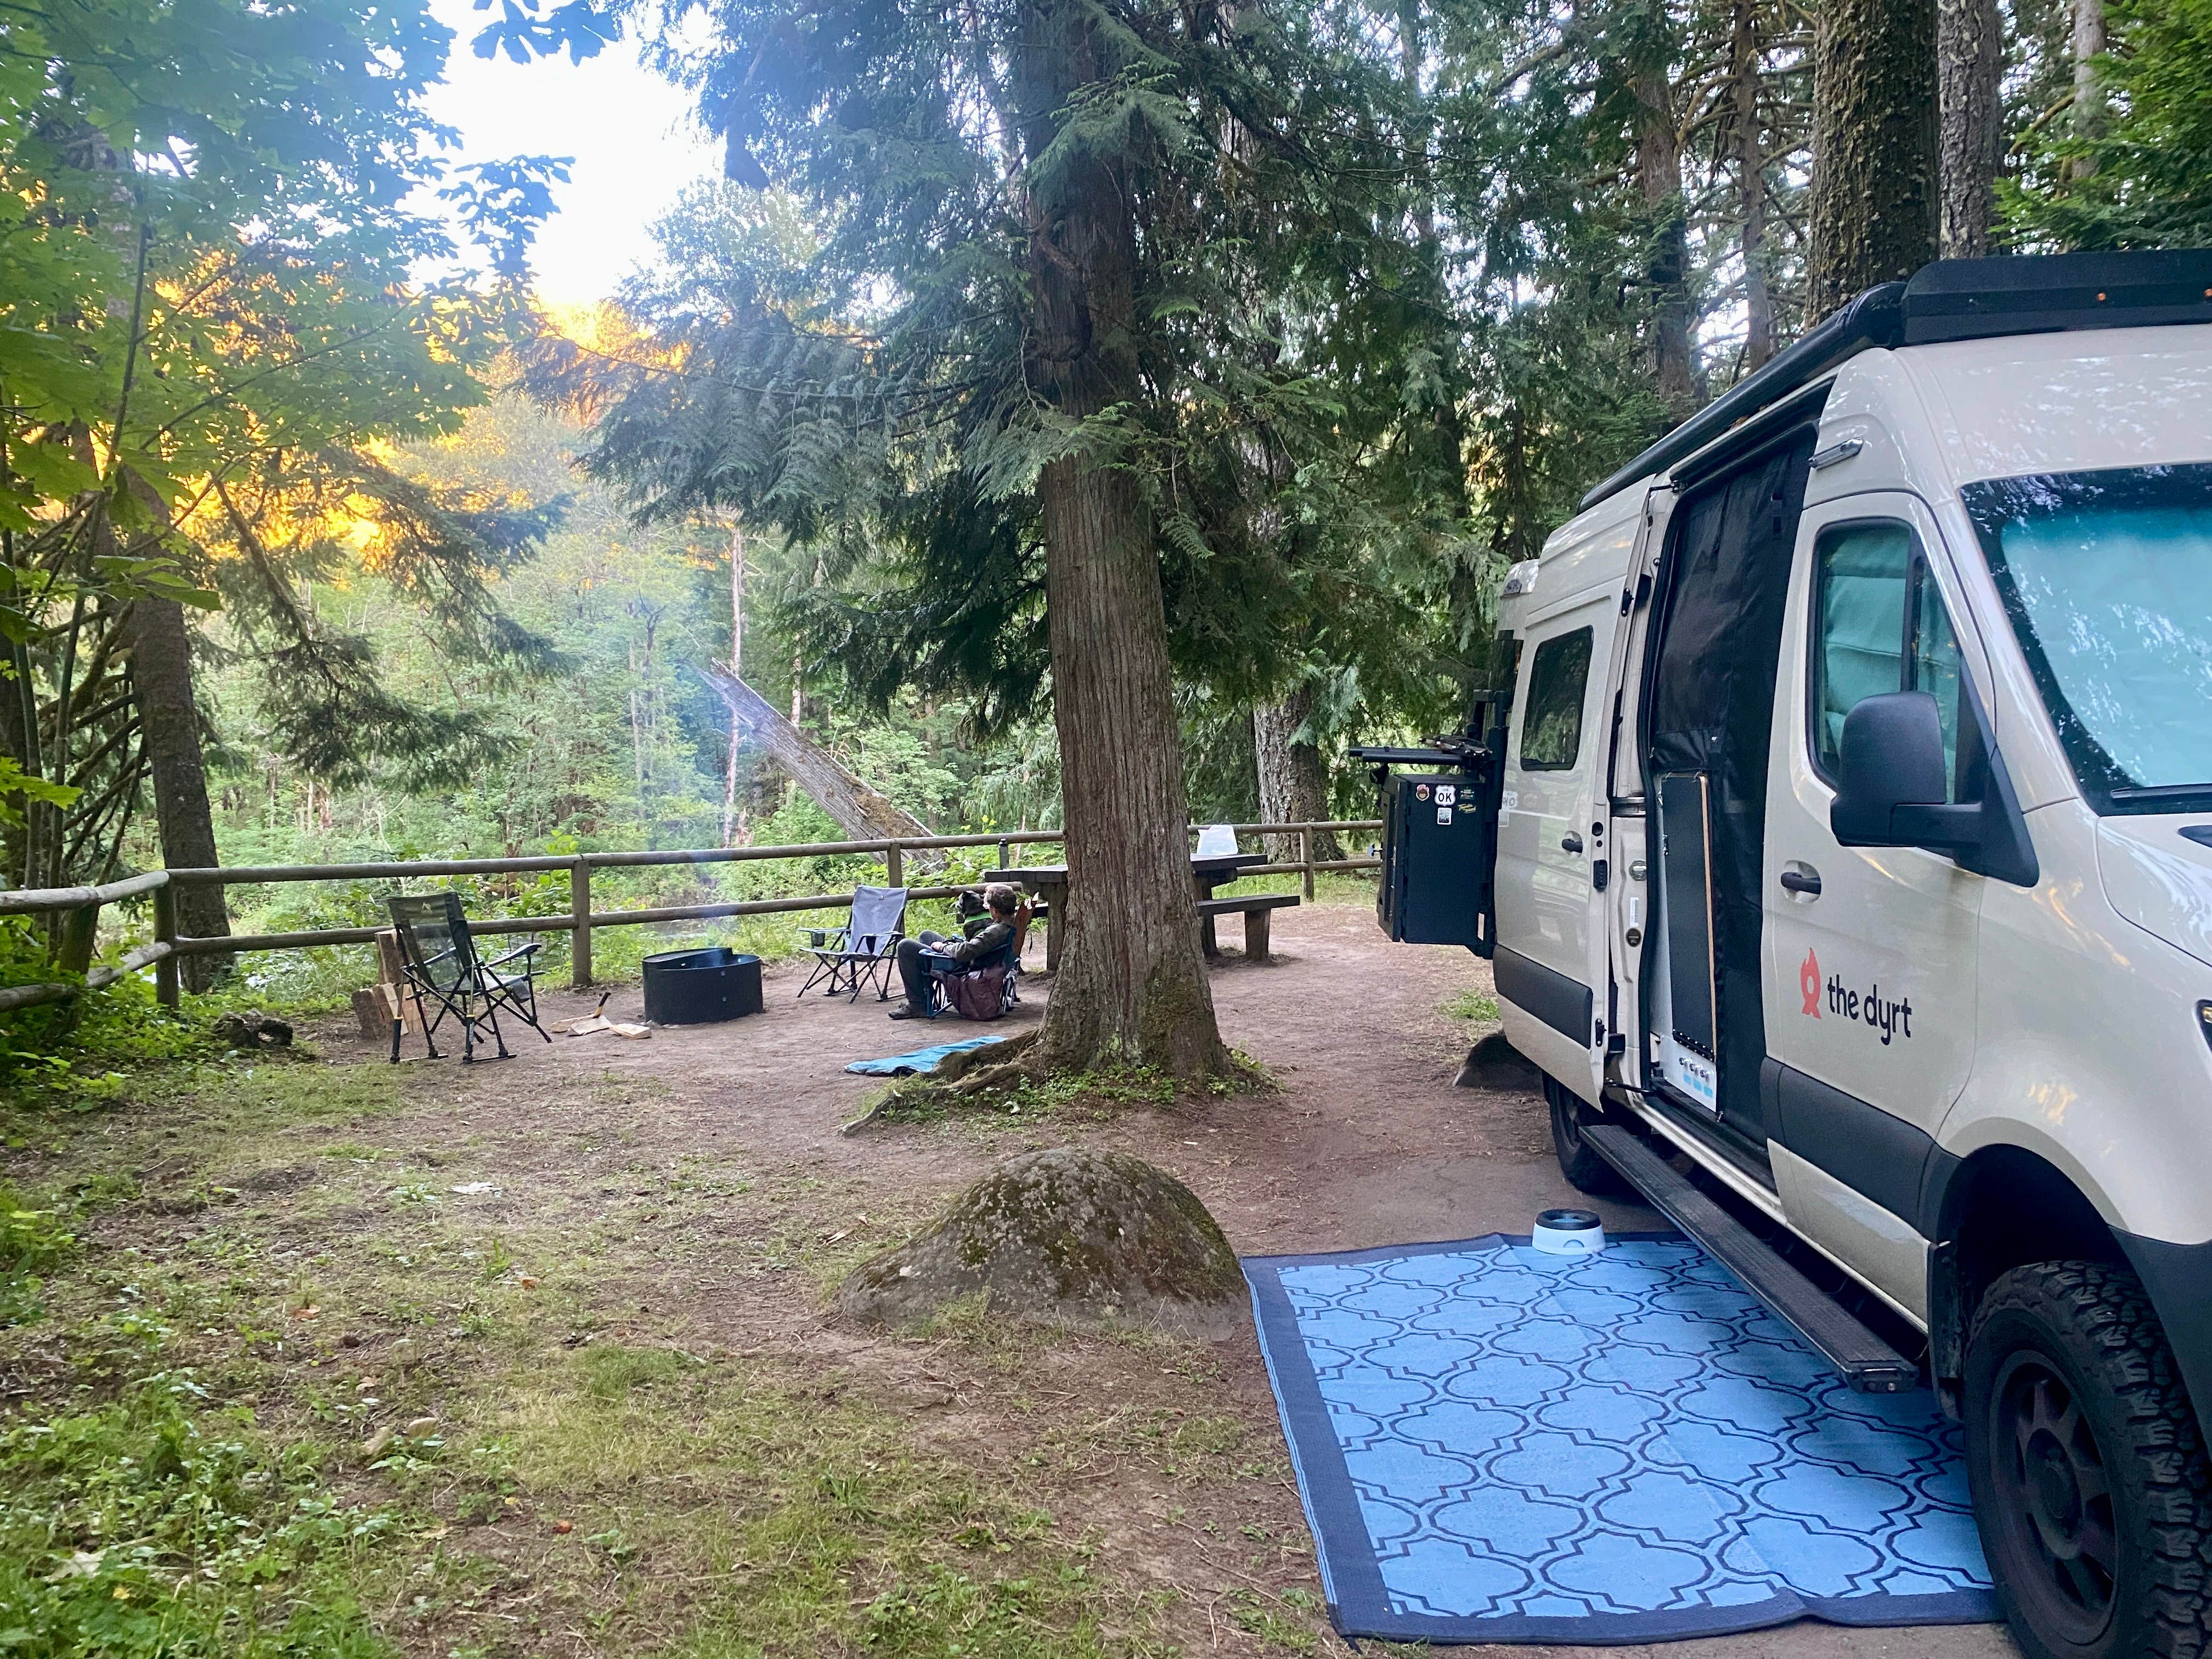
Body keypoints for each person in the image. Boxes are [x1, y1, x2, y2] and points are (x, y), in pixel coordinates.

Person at [889, 882, 1021, 1019]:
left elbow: (963, 952)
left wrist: (943, 947)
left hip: (964, 965)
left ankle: (918, 1004)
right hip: (975, 957)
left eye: (989, 907)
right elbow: (973, 946)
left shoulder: (997, 931)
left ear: (995, 909)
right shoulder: (1010, 923)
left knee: (905, 947)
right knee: (926, 935)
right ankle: (923, 997)